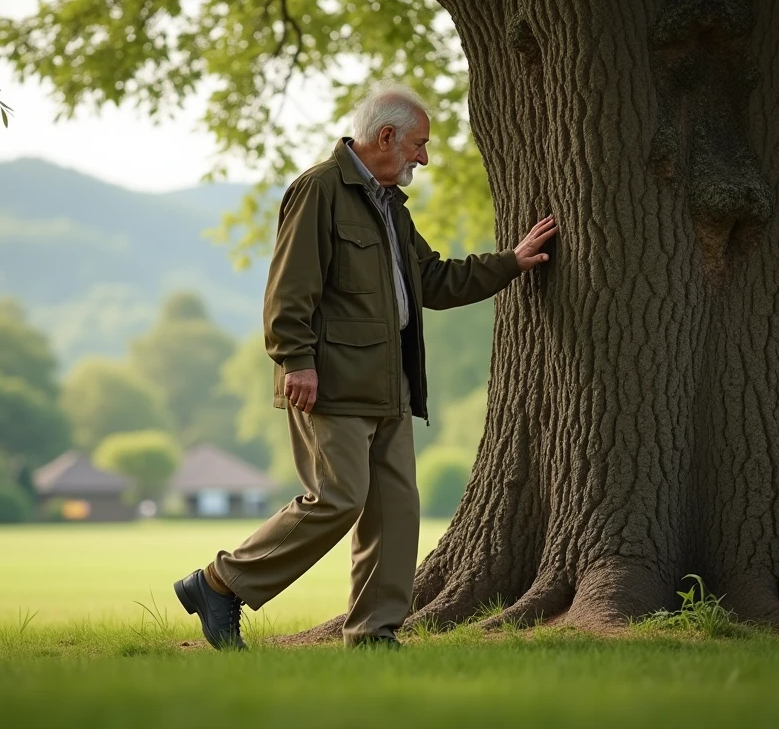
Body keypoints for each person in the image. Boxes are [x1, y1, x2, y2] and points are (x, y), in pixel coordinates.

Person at [174, 81, 559, 650]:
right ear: (385, 137)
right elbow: (288, 289)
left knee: (395, 513)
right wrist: (296, 361)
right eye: (419, 145)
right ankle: (220, 583)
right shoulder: (318, 190)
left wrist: (510, 263)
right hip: (329, 382)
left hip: (390, 385)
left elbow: (433, 280)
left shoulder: (390, 208)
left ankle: (374, 633)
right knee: (340, 497)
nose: (423, 159)